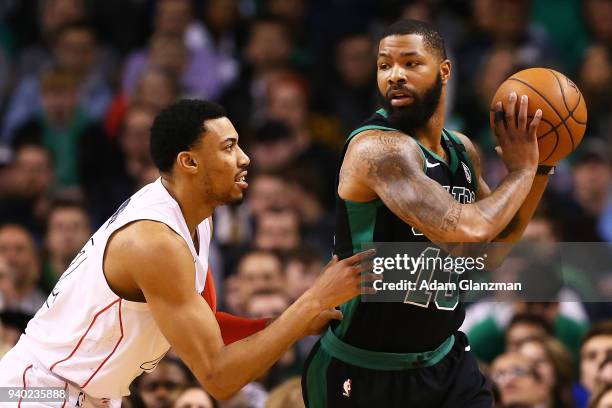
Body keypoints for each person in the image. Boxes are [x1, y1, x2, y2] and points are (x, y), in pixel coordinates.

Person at [0, 99, 375, 406]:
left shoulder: (194, 214)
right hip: (40, 390)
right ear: (190, 162)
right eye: (228, 147)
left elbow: (208, 325)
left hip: (84, 389)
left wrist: (288, 323)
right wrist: (309, 303)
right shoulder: (155, 242)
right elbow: (219, 378)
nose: (244, 158)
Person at [302, 19, 552, 407]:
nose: (395, 76)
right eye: (385, 66)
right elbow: (470, 227)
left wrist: (540, 170)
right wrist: (521, 171)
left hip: (445, 360)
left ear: (444, 71)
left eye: (410, 64)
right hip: (366, 369)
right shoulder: (378, 151)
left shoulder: (462, 151)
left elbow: (492, 251)